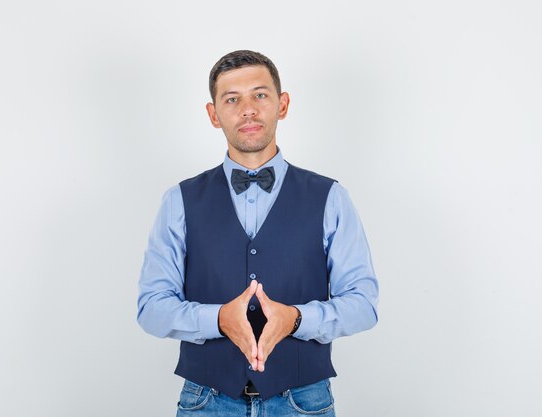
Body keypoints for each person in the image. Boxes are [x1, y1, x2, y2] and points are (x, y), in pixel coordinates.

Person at [137, 50, 379, 416]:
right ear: (213, 114)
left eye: (260, 95)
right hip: (206, 402)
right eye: (232, 99)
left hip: (304, 403)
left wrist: (296, 319)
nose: (248, 109)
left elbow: (363, 303)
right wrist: (217, 319)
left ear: (282, 105)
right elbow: (151, 308)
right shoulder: (179, 201)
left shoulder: (330, 197)